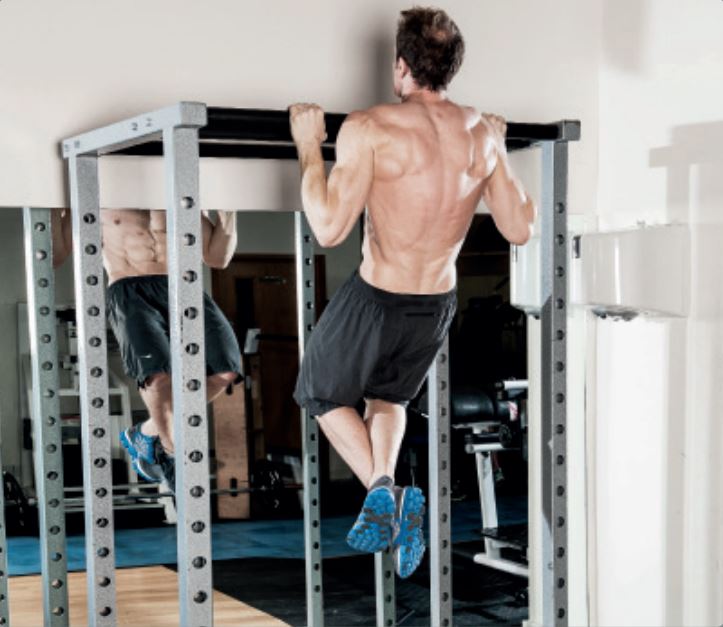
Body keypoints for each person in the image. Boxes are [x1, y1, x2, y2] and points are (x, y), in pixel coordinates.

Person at [289, 6, 535, 579]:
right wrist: (499, 148)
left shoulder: (371, 126)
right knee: (389, 400)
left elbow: (328, 226)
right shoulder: (481, 133)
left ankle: (385, 489)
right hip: (436, 303)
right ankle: (389, 497)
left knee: (318, 394)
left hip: (379, 293)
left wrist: (309, 145)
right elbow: (519, 228)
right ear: (450, 69)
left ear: (401, 67)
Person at [52, 208, 242, 487]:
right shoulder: (98, 189)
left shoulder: (178, 187)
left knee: (225, 371)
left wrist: (228, 214)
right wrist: (54, 211)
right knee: (157, 377)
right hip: (129, 287)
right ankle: (173, 456)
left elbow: (217, 259)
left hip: (183, 286)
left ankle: (147, 432)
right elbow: (55, 256)